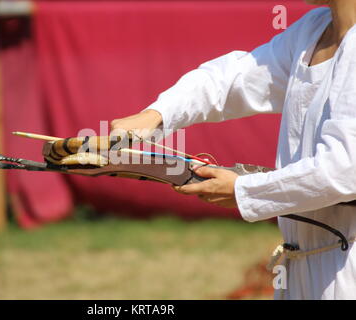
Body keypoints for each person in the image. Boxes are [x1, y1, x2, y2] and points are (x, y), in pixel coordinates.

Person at [110, 1, 356, 299]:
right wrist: (156, 115)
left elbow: (344, 170)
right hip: (305, 261)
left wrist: (243, 190)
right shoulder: (312, 29)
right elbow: (234, 79)